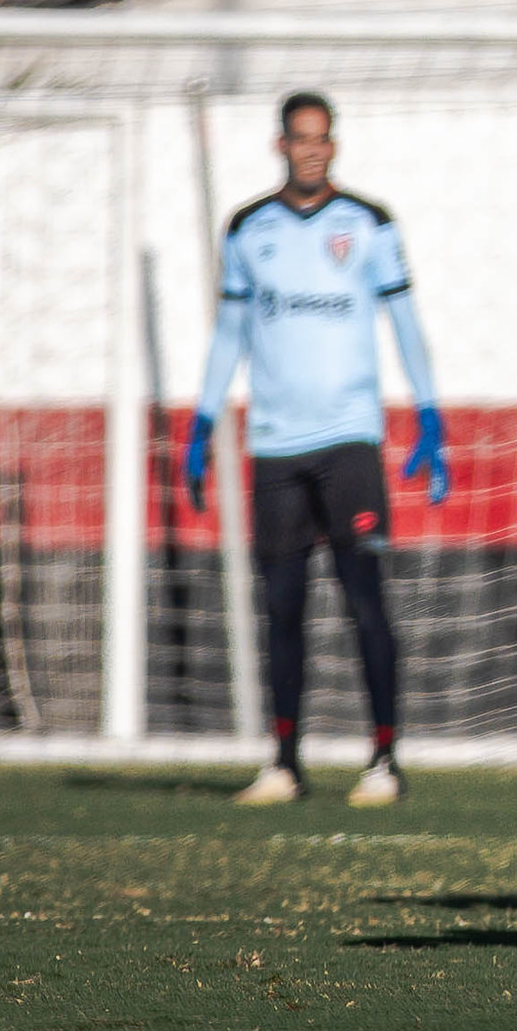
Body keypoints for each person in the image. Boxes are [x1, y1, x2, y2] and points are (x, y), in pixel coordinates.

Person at [186, 90, 449, 808]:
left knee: (365, 598)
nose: (313, 149)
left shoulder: (368, 224)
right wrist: (204, 423)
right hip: (274, 445)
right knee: (281, 604)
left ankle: (384, 759)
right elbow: (230, 334)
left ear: (334, 145)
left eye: (323, 138)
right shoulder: (247, 228)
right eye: (301, 138)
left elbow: (402, 318)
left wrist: (429, 412)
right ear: (282, 145)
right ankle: (283, 762)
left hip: (349, 442)